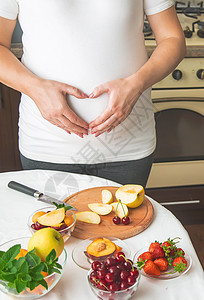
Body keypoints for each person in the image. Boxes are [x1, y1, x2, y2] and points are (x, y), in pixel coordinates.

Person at [0, 0, 186, 187]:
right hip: (47, 146)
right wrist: (35, 88)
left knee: (128, 217)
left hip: (128, 147)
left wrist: (136, 84)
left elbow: (173, 39)